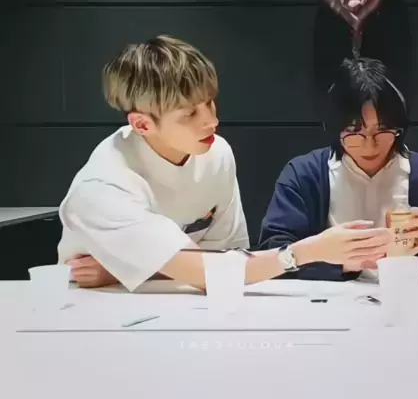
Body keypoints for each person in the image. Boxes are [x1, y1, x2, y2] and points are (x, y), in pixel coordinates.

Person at [57, 36, 391, 291]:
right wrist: (309, 251)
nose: (211, 122)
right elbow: (212, 274)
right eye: (189, 114)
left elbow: (228, 260)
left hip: (183, 301)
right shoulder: (103, 188)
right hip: (94, 310)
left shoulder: (215, 153)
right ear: (142, 124)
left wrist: (129, 267)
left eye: (210, 103)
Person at [257, 57, 418, 281]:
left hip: (407, 294)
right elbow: (272, 252)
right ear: (336, 128)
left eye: (382, 130)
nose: (369, 146)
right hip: (328, 298)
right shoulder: (303, 175)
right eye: (354, 132)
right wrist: (336, 261)